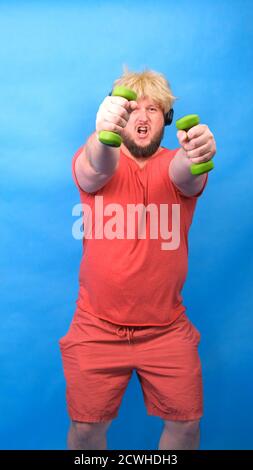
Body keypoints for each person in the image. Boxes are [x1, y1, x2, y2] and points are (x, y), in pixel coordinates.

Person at [59, 67, 216, 450]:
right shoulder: (97, 153)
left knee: (187, 424)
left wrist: (197, 155)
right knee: (86, 430)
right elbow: (97, 166)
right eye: (133, 108)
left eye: (154, 109)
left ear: (166, 120)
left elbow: (185, 175)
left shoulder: (177, 163)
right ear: (119, 116)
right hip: (96, 326)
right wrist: (102, 133)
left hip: (166, 327)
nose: (143, 116)